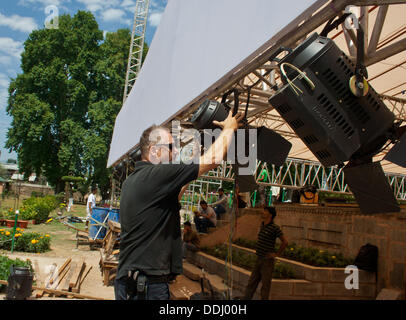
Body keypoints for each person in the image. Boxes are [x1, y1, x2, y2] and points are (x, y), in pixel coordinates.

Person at [115, 109, 244, 300]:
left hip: (132, 280)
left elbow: (177, 189)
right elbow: (213, 160)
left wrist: (193, 166)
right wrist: (229, 129)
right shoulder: (156, 175)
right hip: (147, 285)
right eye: (170, 147)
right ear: (153, 151)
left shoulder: (135, 181)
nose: (176, 152)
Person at [243, 206, 288, 300]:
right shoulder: (262, 225)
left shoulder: (274, 228)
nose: (263, 212)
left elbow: (285, 242)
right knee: (251, 283)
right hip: (259, 258)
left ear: (270, 215)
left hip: (267, 261)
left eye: (265, 211)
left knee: (265, 286)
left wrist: (276, 254)